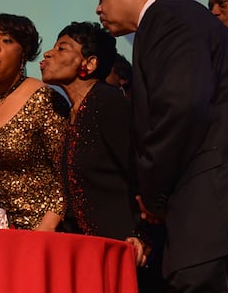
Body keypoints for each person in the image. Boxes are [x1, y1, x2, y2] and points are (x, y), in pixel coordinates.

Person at [95, 0, 228, 292]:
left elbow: (182, 107)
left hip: (223, 221)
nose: (99, 8)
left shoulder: (169, 19)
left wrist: (153, 194)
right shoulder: (173, 20)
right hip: (221, 220)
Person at [40, 21, 167, 291]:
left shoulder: (107, 102)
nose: (48, 54)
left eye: (62, 48)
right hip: (88, 253)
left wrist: (142, 237)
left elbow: (140, 172)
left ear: (90, 63)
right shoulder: (72, 113)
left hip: (124, 252)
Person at [0, 13, 68, 231]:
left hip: (36, 227)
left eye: (6, 41)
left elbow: (65, 170)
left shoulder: (43, 97)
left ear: (23, 52)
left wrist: (48, 224)